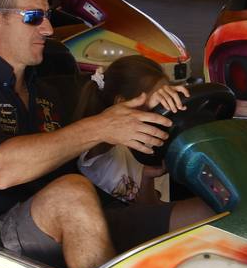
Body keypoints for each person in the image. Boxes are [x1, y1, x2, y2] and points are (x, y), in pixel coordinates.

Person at [0, 0, 210, 268]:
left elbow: (102, 105)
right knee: (71, 192)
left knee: (210, 211)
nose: (48, 29)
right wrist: (100, 127)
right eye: (33, 17)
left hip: (80, 214)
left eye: (47, 15)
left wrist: (152, 97)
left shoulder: (42, 87)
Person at [72, 56, 178, 206]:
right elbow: (100, 143)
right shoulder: (100, 144)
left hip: (145, 219)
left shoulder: (151, 144)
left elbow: (153, 211)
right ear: (122, 104)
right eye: (157, 103)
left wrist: (147, 177)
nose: (162, 110)